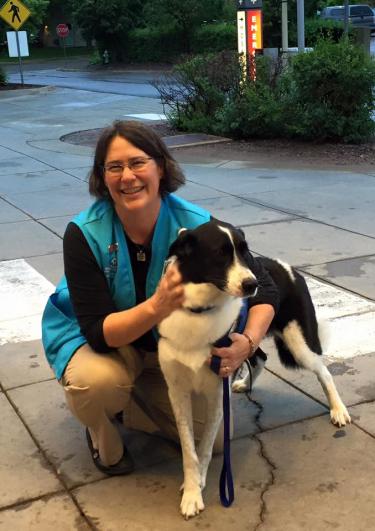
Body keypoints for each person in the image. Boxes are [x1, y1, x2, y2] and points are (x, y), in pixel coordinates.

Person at [42, 120, 279, 476]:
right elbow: (96, 332)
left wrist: (247, 343)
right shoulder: (83, 233)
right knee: (96, 384)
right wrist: (158, 306)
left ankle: (129, 400)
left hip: (164, 351)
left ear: (161, 167)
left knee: (211, 443)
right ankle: (100, 424)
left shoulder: (197, 226)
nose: (128, 177)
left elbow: (266, 286)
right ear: (101, 177)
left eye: (138, 163)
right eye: (114, 167)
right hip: (105, 345)